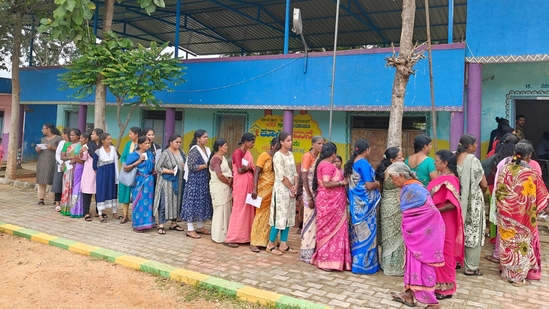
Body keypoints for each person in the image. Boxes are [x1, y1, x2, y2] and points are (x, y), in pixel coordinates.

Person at [387, 162, 444, 309]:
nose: (392, 181)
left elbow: (420, 213)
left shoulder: (413, 188)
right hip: (418, 233)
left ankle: (432, 303)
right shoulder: (411, 187)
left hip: (423, 234)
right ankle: (409, 295)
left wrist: (410, 227)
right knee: (412, 263)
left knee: (424, 264)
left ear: (401, 175)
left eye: (393, 178)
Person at [495, 142, 548, 286]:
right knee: (520, 247)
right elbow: (542, 196)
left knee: (507, 245)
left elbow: (499, 191)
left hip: (505, 214)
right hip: (522, 217)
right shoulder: (531, 173)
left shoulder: (505, 168)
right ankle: (518, 278)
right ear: (529, 156)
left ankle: (506, 274)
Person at [427, 150, 464, 300]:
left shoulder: (451, 180)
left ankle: (446, 289)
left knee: (445, 251)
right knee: (437, 251)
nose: (434, 163)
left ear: (445, 163)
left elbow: (452, 204)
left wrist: (435, 210)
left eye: (436, 160)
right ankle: (438, 285)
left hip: (445, 220)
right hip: (437, 219)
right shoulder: (441, 177)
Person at [310, 142, 351, 271]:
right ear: (333, 154)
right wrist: (342, 182)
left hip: (334, 203)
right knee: (328, 231)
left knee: (335, 230)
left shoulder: (323, 164)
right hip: (329, 203)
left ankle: (334, 261)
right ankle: (326, 261)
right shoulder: (327, 165)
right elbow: (327, 184)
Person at [344, 139, 381, 274]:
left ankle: (356, 263)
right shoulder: (363, 163)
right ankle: (366, 266)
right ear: (367, 150)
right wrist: (379, 184)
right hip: (366, 207)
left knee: (357, 235)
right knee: (368, 235)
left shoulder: (352, 163)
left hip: (355, 205)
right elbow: (369, 185)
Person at [455, 133, 487, 276]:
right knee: (473, 231)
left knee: (458, 229)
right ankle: (470, 267)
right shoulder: (473, 160)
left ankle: (455, 261)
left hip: (456, 199)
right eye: (475, 144)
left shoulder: (453, 158)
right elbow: (484, 184)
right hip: (473, 201)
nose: (476, 146)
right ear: (469, 146)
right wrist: (478, 191)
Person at [267, 132, 299, 255]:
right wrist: (291, 187)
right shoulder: (277, 156)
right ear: (281, 142)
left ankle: (283, 244)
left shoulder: (290, 154)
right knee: (279, 217)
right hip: (281, 190)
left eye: (291, 140)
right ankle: (270, 244)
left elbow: (295, 172)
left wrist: (295, 186)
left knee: (288, 216)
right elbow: (281, 176)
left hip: (291, 190)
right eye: (288, 140)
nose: (290, 142)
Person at [375, 147, 405, 276]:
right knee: (397, 235)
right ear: (392, 160)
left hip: (386, 204)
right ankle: (395, 267)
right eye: (400, 157)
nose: (403, 159)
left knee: (389, 236)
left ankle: (386, 264)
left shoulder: (385, 170)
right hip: (396, 205)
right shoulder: (395, 171)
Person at [225, 133, 256, 248]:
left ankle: (245, 236)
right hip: (240, 184)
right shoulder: (238, 153)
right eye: (252, 142)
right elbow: (239, 170)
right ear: (245, 142)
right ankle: (232, 237)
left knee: (248, 208)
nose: (253, 144)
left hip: (248, 183)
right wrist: (249, 168)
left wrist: (249, 168)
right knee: (239, 208)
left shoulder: (248, 153)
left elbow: (250, 168)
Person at [181, 129, 212, 239]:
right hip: (194, 181)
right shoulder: (194, 150)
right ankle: (190, 229)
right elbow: (192, 166)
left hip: (203, 180)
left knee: (201, 202)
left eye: (207, 137)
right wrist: (205, 166)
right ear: (198, 139)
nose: (206, 139)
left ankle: (199, 226)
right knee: (192, 203)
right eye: (204, 137)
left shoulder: (207, 150)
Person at [154, 134, 186, 234]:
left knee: (176, 202)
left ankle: (173, 223)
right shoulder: (165, 153)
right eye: (177, 142)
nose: (179, 144)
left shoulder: (182, 152)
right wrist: (170, 171)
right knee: (164, 202)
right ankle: (161, 224)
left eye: (180, 142)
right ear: (171, 142)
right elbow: (158, 168)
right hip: (166, 182)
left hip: (179, 182)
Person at [299, 136, 325, 262]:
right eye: (319, 143)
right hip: (308, 191)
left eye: (323, 144)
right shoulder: (307, 156)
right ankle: (306, 252)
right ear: (313, 144)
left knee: (316, 221)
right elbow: (304, 176)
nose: (321, 146)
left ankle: (314, 249)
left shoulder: (319, 158)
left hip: (317, 191)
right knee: (309, 221)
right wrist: (309, 196)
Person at [250, 138, 277, 252]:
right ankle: (254, 242)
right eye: (277, 146)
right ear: (272, 146)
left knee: (270, 215)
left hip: (274, 189)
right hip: (262, 189)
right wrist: (255, 188)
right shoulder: (264, 156)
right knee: (260, 214)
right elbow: (257, 172)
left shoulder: (279, 157)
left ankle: (266, 240)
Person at [125, 136, 156, 232]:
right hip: (139, 181)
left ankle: (148, 223)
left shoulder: (150, 154)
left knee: (149, 203)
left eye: (148, 143)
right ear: (139, 144)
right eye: (145, 143)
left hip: (149, 182)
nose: (147, 145)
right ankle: (138, 225)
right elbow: (125, 168)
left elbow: (152, 166)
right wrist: (138, 161)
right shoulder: (134, 155)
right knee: (139, 202)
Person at [208, 139, 233, 243]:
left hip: (225, 187)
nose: (227, 147)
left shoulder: (222, 158)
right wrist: (228, 182)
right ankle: (218, 236)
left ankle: (225, 233)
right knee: (219, 211)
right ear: (219, 147)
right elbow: (219, 175)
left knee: (226, 210)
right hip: (219, 186)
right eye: (225, 145)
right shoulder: (216, 159)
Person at [93, 133, 119, 223]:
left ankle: (114, 212)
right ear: (103, 141)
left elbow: (117, 159)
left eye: (110, 139)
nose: (110, 141)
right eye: (108, 139)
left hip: (112, 172)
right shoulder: (98, 151)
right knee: (102, 190)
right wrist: (99, 173)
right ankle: (100, 213)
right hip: (102, 172)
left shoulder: (113, 149)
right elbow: (94, 165)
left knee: (112, 190)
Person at [35, 123, 62, 206]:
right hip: (42, 161)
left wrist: (53, 148)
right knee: (41, 180)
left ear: (48, 129)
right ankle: (41, 198)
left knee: (52, 179)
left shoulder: (58, 138)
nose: (42, 130)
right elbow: (40, 151)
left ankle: (54, 198)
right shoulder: (43, 139)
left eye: (43, 128)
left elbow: (62, 150)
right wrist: (38, 150)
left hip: (53, 162)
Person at [119, 127, 141, 224]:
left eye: (131, 133)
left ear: (137, 134)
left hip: (138, 172)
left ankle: (136, 215)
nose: (129, 135)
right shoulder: (128, 144)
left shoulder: (142, 145)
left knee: (137, 195)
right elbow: (123, 157)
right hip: (127, 171)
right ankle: (125, 215)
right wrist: (124, 164)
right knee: (125, 193)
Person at [80, 128, 103, 221]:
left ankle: (99, 211)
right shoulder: (88, 145)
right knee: (87, 191)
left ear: (99, 136)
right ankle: (86, 212)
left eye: (93, 134)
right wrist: (82, 151)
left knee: (99, 191)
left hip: (100, 170)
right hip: (89, 171)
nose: (91, 136)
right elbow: (83, 158)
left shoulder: (103, 145)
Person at [60, 129, 82, 216]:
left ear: (78, 136)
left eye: (73, 135)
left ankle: (75, 209)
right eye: (71, 135)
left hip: (78, 168)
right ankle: (65, 208)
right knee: (66, 187)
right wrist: (71, 158)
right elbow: (62, 156)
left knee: (75, 188)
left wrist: (76, 159)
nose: (71, 137)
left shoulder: (80, 145)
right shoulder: (67, 144)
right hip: (68, 168)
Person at [69, 131, 88, 218]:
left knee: (80, 188)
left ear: (87, 139)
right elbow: (77, 158)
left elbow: (80, 160)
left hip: (85, 169)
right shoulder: (79, 147)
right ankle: (75, 209)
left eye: (82, 138)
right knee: (77, 186)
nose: (80, 140)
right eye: (79, 138)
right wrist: (77, 159)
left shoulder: (87, 147)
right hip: (78, 168)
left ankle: (79, 209)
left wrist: (76, 159)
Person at [51, 128, 71, 211]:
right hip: (60, 165)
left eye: (63, 134)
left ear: (66, 134)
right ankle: (57, 202)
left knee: (67, 184)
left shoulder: (72, 144)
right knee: (58, 182)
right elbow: (57, 154)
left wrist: (67, 163)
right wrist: (61, 163)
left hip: (69, 165)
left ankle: (65, 202)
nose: (62, 136)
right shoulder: (61, 143)